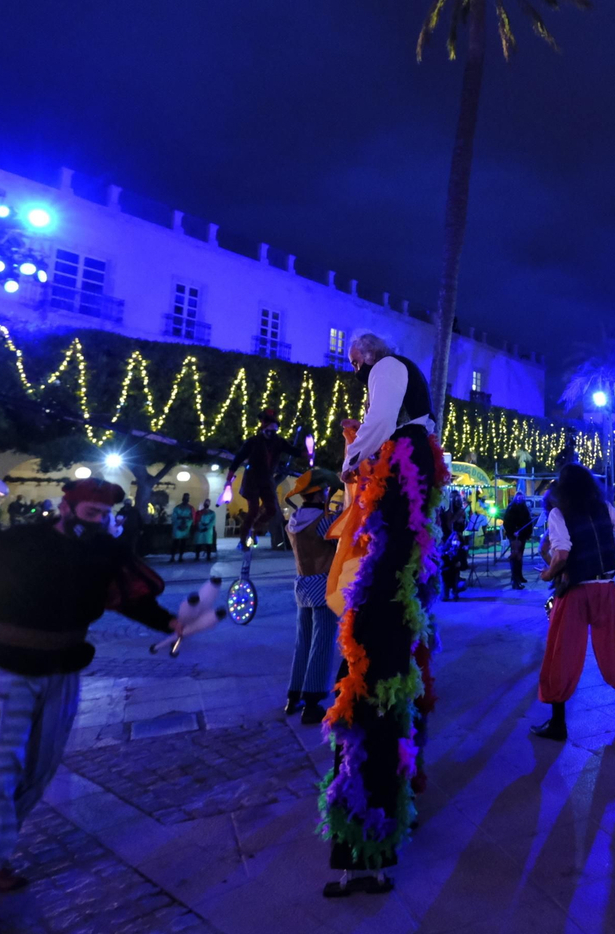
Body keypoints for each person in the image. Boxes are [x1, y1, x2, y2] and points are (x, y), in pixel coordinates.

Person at [0, 478, 179, 934]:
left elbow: (129, 599)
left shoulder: (105, 551)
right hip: (4, 671)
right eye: (93, 515)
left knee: (38, 770)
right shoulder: (20, 540)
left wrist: (170, 621)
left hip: (62, 674)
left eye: (106, 517)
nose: (101, 524)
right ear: (67, 509)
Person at [322, 332, 446, 897]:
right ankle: (378, 837)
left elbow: (379, 419)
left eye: (353, 362)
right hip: (393, 594)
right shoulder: (408, 461)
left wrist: (351, 460)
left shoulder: (388, 369)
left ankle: (365, 841)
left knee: (373, 693)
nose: (354, 370)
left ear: (365, 354)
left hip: (384, 611)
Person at [530, 462, 615, 741]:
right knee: (610, 646)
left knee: (561, 652)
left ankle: (557, 723)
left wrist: (547, 574)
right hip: (606, 588)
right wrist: (613, 553)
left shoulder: (558, 511)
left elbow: (561, 553)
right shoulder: (603, 507)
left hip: (577, 590)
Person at [284, 470, 341, 724]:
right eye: (326, 490)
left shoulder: (293, 519)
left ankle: (293, 696)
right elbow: (344, 534)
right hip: (324, 585)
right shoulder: (323, 520)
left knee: (303, 642)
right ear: (319, 493)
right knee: (322, 643)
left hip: (302, 584)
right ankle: (313, 702)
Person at [224, 407, 304, 550]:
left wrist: (307, 452)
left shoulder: (278, 442)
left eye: (274, 432)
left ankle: (255, 529)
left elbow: (294, 451)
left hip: (267, 480)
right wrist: (228, 480)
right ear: (263, 429)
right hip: (252, 479)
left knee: (272, 510)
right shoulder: (253, 442)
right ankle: (242, 540)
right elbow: (237, 460)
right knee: (253, 509)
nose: (271, 435)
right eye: (268, 432)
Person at [503, 492, 533, 590]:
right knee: (515, 557)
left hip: (522, 535)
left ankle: (519, 576)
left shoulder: (524, 508)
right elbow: (507, 522)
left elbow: (528, 521)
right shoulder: (511, 508)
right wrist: (513, 532)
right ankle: (515, 580)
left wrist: (528, 533)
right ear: (516, 498)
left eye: (522, 497)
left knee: (520, 556)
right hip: (514, 536)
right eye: (518, 497)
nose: (520, 498)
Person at [169, 493, 194, 562]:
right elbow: (174, 518)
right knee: (175, 543)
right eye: (185, 497)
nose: (186, 499)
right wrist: (179, 524)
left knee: (183, 543)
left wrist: (186, 525)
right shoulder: (177, 508)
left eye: (187, 498)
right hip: (177, 528)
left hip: (185, 529)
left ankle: (180, 557)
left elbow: (191, 518)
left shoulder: (190, 508)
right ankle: (172, 557)